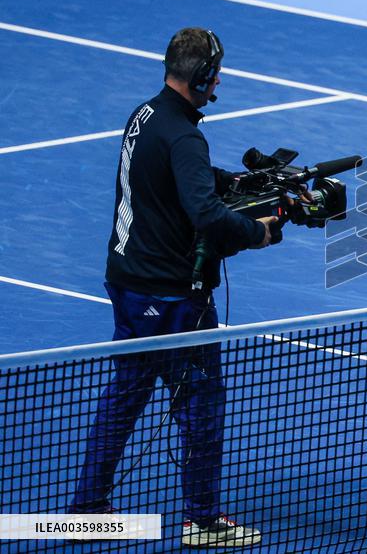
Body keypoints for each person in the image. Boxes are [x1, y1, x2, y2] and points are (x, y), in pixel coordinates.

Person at [69, 27, 275, 547]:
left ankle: (88, 509)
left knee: (125, 396)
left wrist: (222, 178)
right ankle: (202, 520)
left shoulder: (146, 114)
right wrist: (259, 232)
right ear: (203, 76)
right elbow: (204, 213)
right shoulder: (185, 135)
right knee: (201, 403)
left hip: (127, 283)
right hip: (171, 296)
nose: (218, 84)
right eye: (216, 75)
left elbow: (169, 179)